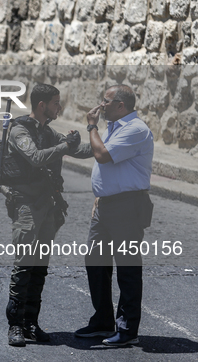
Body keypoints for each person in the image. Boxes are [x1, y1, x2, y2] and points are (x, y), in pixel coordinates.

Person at [2, 83, 92, 347]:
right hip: (26, 207)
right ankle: (15, 325)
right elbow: (35, 157)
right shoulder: (20, 130)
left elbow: (79, 150)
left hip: (47, 205)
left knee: (40, 266)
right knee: (24, 265)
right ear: (42, 105)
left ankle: (31, 322)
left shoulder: (47, 131)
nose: (59, 107)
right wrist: (65, 146)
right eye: (55, 103)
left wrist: (102, 142)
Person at [75, 84, 154, 346]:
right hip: (106, 205)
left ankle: (127, 329)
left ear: (121, 105)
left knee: (127, 268)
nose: (101, 105)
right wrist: (101, 194)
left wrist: (91, 126)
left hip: (128, 207)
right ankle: (103, 320)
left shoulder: (135, 129)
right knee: (95, 261)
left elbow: (102, 155)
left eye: (106, 102)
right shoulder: (116, 128)